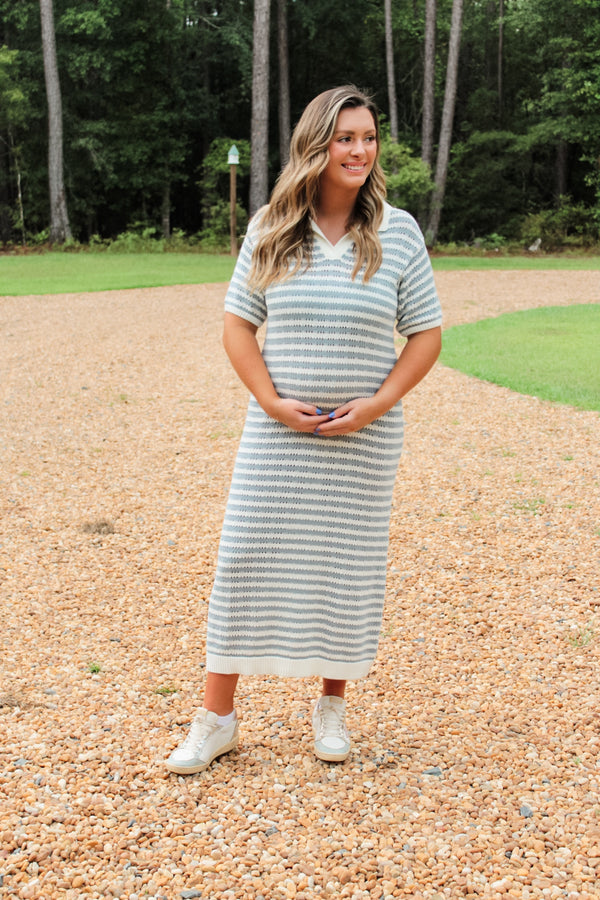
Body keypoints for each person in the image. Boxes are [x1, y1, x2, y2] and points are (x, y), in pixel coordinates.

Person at [165, 85, 442, 775]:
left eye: (368, 137)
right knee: (244, 556)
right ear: (315, 145)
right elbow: (236, 324)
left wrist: (375, 406)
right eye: (345, 137)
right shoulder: (270, 226)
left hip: (364, 439)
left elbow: (427, 335)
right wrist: (271, 402)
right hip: (277, 431)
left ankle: (331, 706)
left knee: (343, 569)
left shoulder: (398, 232)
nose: (359, 150)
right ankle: (216, 718)